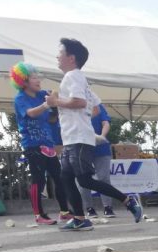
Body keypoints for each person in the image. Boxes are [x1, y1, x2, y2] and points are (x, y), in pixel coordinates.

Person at [46, 37, 142, 231]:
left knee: (84, 180)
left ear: (71, 58)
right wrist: (78, 116)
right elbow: (95, 108)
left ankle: (127, 200)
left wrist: (57, 103)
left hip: (78, 138)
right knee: (66, 178)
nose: (57, 56)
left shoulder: (72, 76)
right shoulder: (80, 79)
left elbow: (80, 103)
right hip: (74, 137)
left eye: (60, 53)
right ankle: (80, 218)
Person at [10, 62, 71, 225]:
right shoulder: (20, 98)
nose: (38, 80)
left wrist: (55, 106)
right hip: (33, 145)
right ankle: (39, 215)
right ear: (23, 81)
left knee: (59, 177)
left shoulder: (42, 94)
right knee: (39, 179)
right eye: (34, 77)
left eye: (38, 77)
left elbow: (50, 117)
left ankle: (64, 211)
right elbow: (30, 113)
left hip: (48, 143)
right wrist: (46, 104)